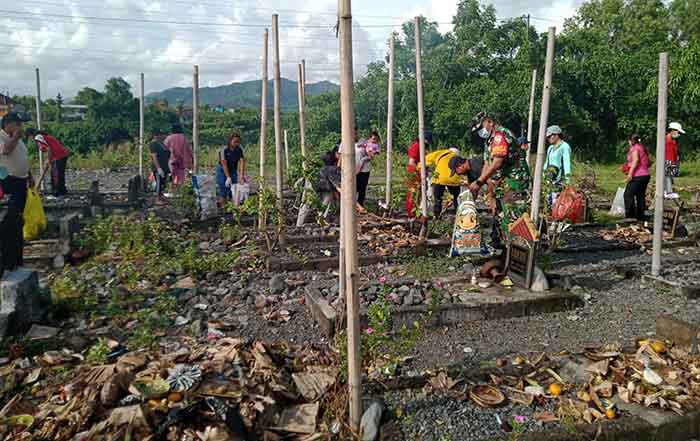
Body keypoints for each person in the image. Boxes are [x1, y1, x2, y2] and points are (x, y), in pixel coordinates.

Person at [469, 112, 530, 247]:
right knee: (498, 210)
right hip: (503, 181)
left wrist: (479, 182)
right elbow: (487, 164)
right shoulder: (489, 140)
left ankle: (519, 247)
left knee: (514, 212)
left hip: (515, 179)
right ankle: (501, 243)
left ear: (489, 122)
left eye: (481, 128)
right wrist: (479, 183)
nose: (480, 132)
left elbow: (497, 163)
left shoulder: (500, 136)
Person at [0, 112, 31, 273]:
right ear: (8, 124)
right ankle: (8, 262)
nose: (21, 127)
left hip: (21, 182)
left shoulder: (16, 139)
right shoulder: (3, 138)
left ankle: (18, 260)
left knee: (19, 221)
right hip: (7, 182)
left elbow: (23, 157)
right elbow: (5, 151)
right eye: (18, 124)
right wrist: (16, 137)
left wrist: (29, 176)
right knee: (9, 223)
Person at [420, 147, 482, 218]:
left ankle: (436, 216)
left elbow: (425, 159)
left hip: (439, 178)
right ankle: (459, 215)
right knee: (456, 198)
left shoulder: (441, 153)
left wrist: (419, 167)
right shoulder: (458, 158)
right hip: (453, 179)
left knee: (438, 199)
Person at [25, 128, 70, 196]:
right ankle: (62, 192)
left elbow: (48, 149)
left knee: (56, 176)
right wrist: (49, 159)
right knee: (59, 175)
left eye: (28, 137)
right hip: (61, 155)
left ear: (30, 135)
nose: (30, 139)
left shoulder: (37, 137)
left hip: (58, 156)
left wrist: (48, 160)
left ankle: (57, 193)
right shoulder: (43, 135)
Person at [542, 125, 572, 208]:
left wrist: (567, 182)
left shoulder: (564, 146)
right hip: (549, 179)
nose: (548, 139)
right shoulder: (550, 148)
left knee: (556, 202)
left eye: (549, 136)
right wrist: (543, 176)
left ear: (557, 135)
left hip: (559, 180)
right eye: (547, 137)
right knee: (547, 202)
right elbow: (546, 163)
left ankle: (556, 220)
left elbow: (567, 164)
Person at [623, 134, 651, 221]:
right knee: (640, 196)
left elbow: (636, 160)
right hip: (645, 175)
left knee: (628, 194)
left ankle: (630, 216)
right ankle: (640, 217)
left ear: (631, 141)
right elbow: (649, 162)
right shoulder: (642, 147)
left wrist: (630, 174)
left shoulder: (634, 148)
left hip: (638, 176)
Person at [405, 131, 432, 217]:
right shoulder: (416, 146)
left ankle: (416, 213)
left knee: (418, 194)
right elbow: (411, 162)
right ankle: (411, 214)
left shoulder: (422, 147)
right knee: (413, 194)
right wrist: (419, 171)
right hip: (414, 173)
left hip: (419, 172)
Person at [216, 132, 246, 205]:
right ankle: (223, 206)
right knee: (223, 187)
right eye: (235, 142)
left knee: (234, 188)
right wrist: (228, 177)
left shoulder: (239, 149)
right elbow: (224, 163)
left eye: (238, 142)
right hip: (222, 170)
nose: (237, 143)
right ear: (230, 141)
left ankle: (232, 206)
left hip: (233, 170)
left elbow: (242, 161)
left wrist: (241, 175)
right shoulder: (224, 149)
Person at [164, 124, 193, 189]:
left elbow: (164, 148)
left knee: (171, 176)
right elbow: (189, 149)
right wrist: (192, 158)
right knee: (181, 177)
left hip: (171, 160)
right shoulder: (184, 138)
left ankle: (171, 190)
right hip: (182, 161)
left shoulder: (169, 138)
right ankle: (180, 191)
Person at [664, 122, 685, 199]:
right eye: (678, 132)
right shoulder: (666, 139)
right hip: (667, 161)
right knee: (667, 176)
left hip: (672, 161)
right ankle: (668, 192)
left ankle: (668, 191)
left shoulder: (673, 140)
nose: (679, 134)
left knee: (669, 176)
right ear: (672, 130)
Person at [149, 128, 170, 201]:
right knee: (159, 182)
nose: (162, 136)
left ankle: (161, 196)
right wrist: (158, 168)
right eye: (160, 135)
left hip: (165, 166)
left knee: (163, 182)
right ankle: (157, 199)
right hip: (158, 167)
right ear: (155, 136)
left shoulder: (161, 143)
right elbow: (154, 156)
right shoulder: (153, 144)